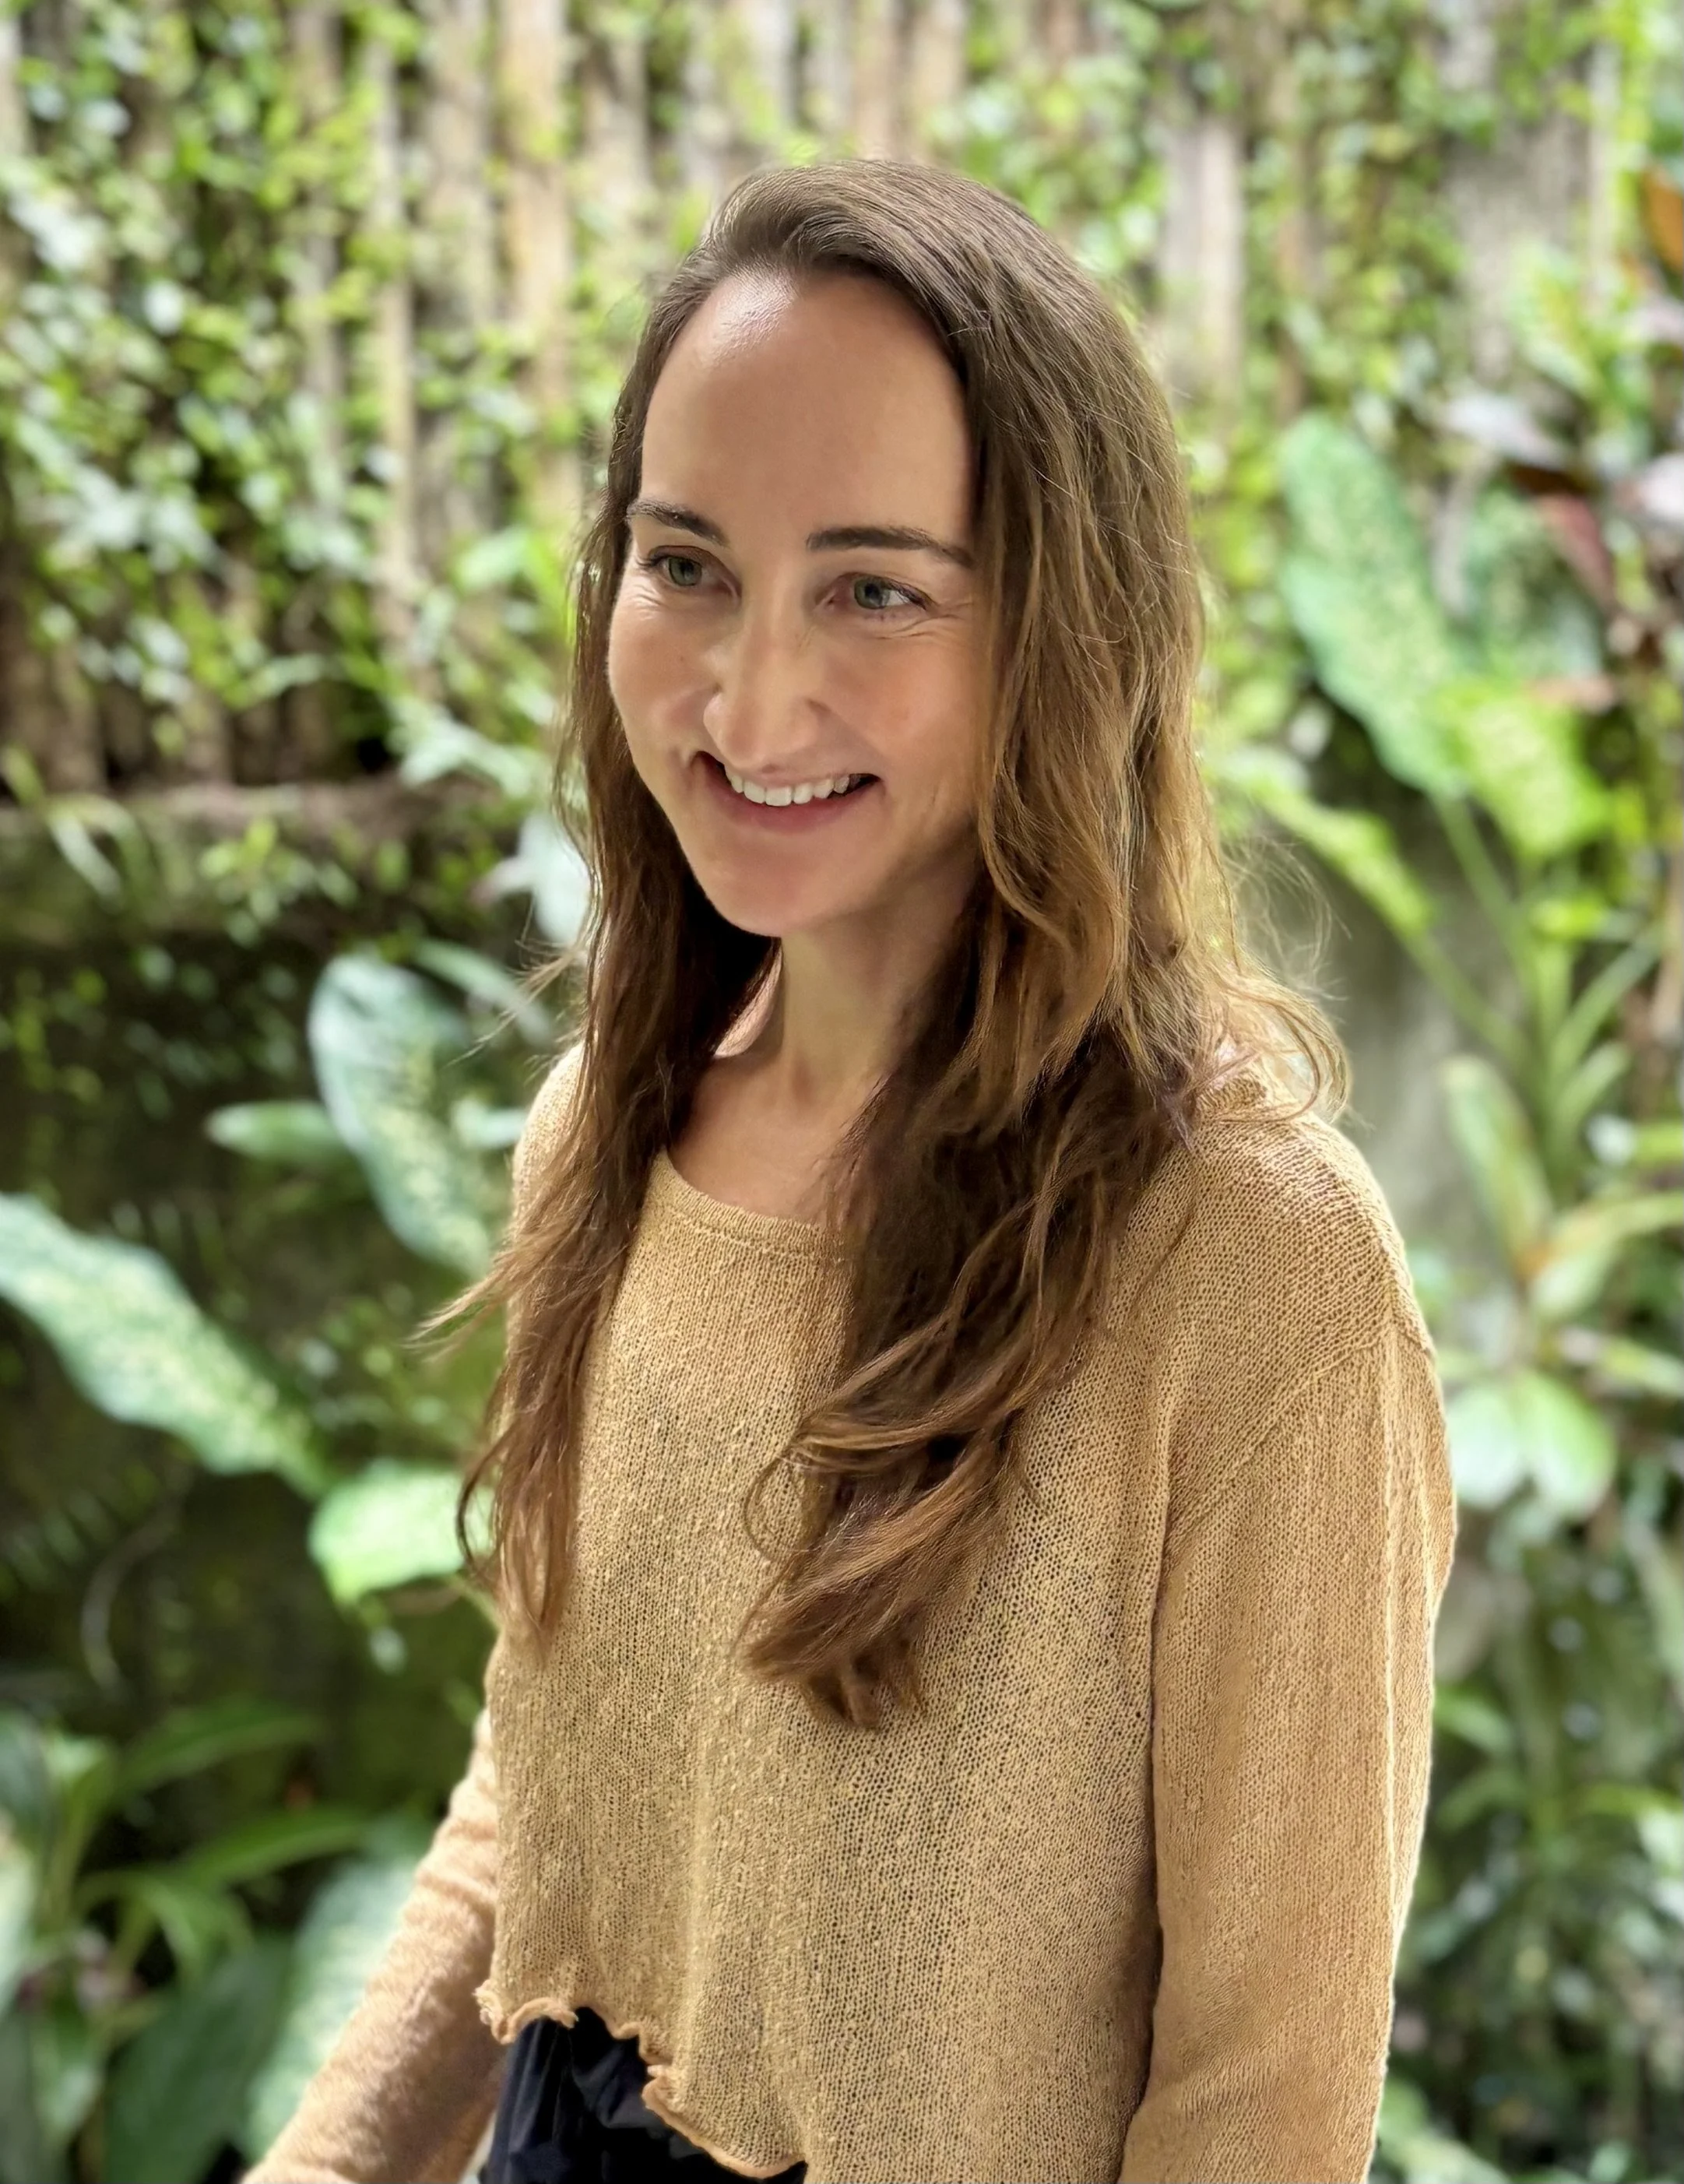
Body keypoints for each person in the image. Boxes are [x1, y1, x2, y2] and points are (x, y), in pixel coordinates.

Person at [244, 157, 1457, 2184]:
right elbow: (550, 1803)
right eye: (687, 560)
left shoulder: (1254, 1265)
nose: (749, 692)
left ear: (1066, 632)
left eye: (877, 585)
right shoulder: (602, 1144)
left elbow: (1262, 2099)